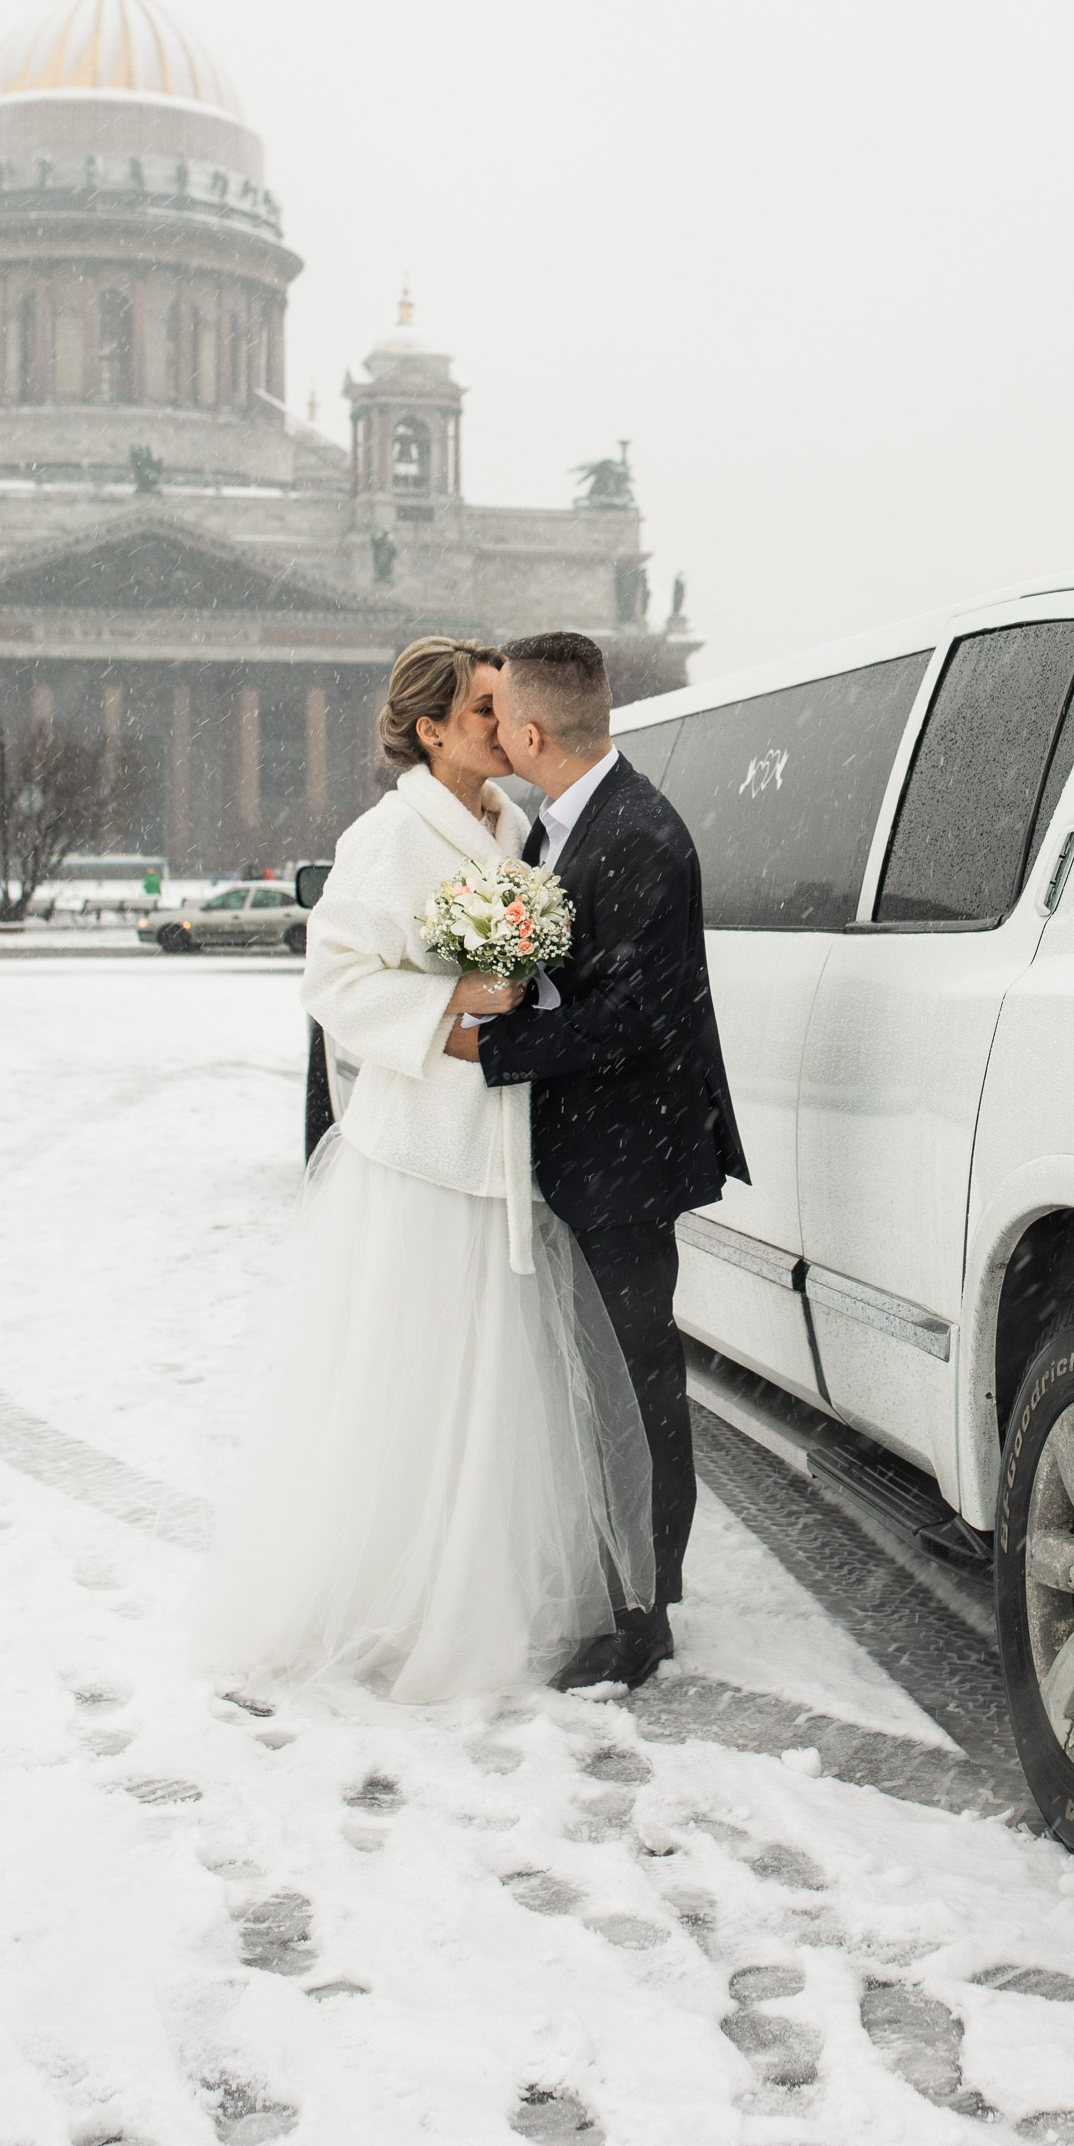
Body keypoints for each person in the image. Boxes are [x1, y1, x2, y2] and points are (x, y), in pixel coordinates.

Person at [190, 637, 653, 1701]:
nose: (507, 723)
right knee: (411, 1386)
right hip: (418, 1157)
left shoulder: (514, 827)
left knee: (492, 1388)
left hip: (499, 1148)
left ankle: (477, 1589)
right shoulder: (385, 838)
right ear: (431, 730)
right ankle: (387, 1599)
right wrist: (454, 1016)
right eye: (485, 710)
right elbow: (335, 981)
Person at [444, 629, 747, 1690]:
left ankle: (642, 1612)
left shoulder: (635, 836)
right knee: (599, 1380)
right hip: (591, 1149)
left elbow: (629, 1017)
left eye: (499, 719)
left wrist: (485, 1042)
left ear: (531, 731)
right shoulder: (565, 825)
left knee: (636, 1381)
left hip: (626, 1162)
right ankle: (612, 1577)